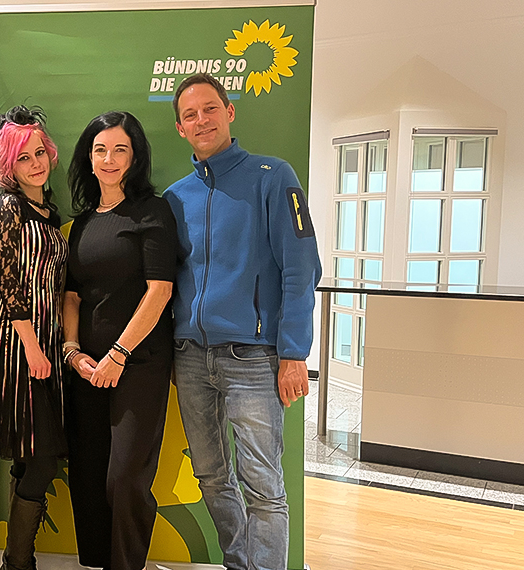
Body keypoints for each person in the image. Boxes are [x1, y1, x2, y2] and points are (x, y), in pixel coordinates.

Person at [164, 73, 322, 570]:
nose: (201, 120)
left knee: (263, 485)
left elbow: (301, 267)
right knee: (211, 477)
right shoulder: (175, 197)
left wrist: (293, 352)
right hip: (190, 358)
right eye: (190, 115)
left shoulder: (273, 176)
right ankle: (239, 563)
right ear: (180, 128)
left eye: (210, 108)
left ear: (229, 112)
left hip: (253, 358)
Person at [62, 111, 177, 570]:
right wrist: (72, 351)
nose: (109, 159)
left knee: (125, 480)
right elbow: (72, 295)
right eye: (100, 150)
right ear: (89, 159)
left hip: (138, 364)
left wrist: (119, 353)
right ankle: (95, 563)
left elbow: (159, 290)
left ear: (135, 157)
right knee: (88, 476)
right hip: (86, 369)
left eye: (120, 150)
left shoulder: (153, 211)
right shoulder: (84, 222)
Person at [0, 106, 68, 570]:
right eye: (23, 158)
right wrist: (31, 347)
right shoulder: (10, 207)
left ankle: (15, 560)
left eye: (39, 153)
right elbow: (9, 282)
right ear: (9, 165)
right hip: (18, 341)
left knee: (32, 455)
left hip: (47, 338)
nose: (35, 164)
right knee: (42, 455)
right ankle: (18, 561)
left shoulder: (50, 212)